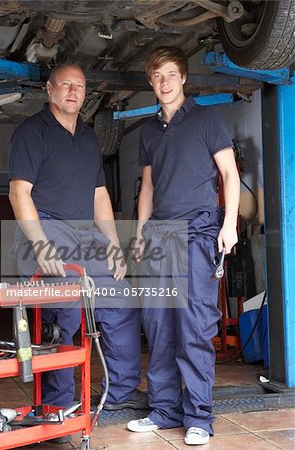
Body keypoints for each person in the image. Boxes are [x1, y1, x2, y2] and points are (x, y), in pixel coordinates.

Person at [8, 63, 147, 444]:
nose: (73, 91)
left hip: (84, 234)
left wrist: (115, 246)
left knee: (121, 299)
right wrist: (40, 244)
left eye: (80, 86)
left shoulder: (88, 139)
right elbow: (18, 192)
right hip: (46, 228)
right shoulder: (31, 132)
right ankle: (56, 408)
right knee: (65, 312)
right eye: (65, 84)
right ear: (49, 90)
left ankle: (118, 391)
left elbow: (99, 195)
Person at [127, 47, 240, 445]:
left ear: (184, 78)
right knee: (158, 325)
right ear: (151, 82)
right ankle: (162, 410)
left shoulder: (207, 120)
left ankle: (198, 417)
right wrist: (140, 233)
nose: (165, 82)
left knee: (193, 325)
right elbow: (149, 187)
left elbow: (228, 173)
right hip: (160, 235)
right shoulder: (147, 131)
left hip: (199, 231)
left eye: (171, 74)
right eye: (158, 76)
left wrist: (229, 225)